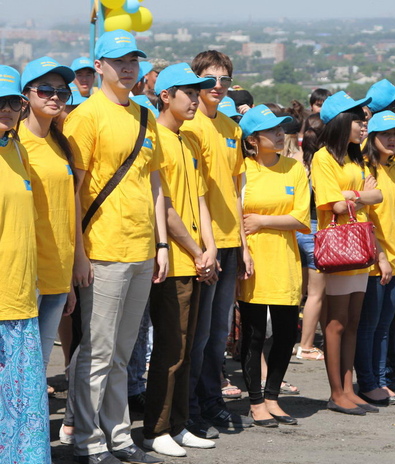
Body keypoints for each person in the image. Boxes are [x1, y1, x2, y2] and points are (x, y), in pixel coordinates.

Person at [64, 30, 166, 464]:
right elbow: (75, 191)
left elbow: (155, 185)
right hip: (102, 250)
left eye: (134, 60)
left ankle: (119, 436)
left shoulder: (144, 115)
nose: (128, 67)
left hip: (142, 249)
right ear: (99, 65)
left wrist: (161, 244)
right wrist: (79, 255)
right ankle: (88, 441)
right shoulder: (85, 117)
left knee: (125, 353)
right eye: (119, 60)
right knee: (98, 352)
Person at [142, 63, 218, 457]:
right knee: (171, 349)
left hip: (197, 258)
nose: (195, 99)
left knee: (190, 349)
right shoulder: (155, 137)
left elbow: (202, 199)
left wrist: (211, 247)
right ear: (166, 95)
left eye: (197, 92)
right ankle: (156, 428)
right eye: (188, 92)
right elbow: (165, 208)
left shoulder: (188, 140)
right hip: (174, 261)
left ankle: (180, 423)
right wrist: (194, 249)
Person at [182, 50, 253, 436]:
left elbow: (236, 191)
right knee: (199, 332)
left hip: (228, 239)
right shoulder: (191, 127)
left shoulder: (231, 127)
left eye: (225, 79)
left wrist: (242, 244)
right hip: (201, 242)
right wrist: (203, 246)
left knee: (219, 332)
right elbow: (194, 194)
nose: (218, 86)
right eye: (211, 79)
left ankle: (212, 400)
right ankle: (190, 405)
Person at [312, 91, 386, 415]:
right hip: (340, 246)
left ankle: (347, 387)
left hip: (360, 245)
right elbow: (336, 205)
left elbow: (377, 194)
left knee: (353, 320)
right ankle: (336, 391)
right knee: (336, 322)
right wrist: (361, 195)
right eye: (358, 119)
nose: (363, 125)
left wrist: (354, 195)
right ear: (342, 122)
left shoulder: (356, 158)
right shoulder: (322, 158)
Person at [236, 104, 310, 426]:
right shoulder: (242, 169)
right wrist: (243, 248)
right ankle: (255, 403)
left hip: (285, 260)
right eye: (271, 131)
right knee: (252, 335)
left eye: (281, 129)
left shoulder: (294, 168)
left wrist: (262, 220)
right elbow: (236, 216)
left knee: (284, 334)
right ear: (253, 139)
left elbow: (301, 218)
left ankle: (273, 397)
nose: (280, 135)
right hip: (252, 259)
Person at [0, 64, 51, 464]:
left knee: (20, 404)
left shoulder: (16, 149)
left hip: (19, 297)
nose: (7, 109)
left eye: (13, 101)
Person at [19, 57, 78, 377]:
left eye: (61, 91)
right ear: (26, 95)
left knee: (39, 365)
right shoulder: (15, 143)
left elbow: (66, 210)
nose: (54, 97)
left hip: (58, 270)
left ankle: (36, 428)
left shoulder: (61, 143)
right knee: (19, 365)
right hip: (26, 274)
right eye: (45, 90)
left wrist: (69, 276)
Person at [355, 111, 395, 404]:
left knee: (385, 326)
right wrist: (381, 256)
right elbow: (365, 219)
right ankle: (367, 382)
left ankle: (379, 379)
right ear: (372, 138)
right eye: (386, 134)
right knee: (369, 327)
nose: (392, 139)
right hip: (375, 261)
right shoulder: (365, 169)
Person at [295, 113, 326, 361]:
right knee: (316, 294)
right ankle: (306, 345)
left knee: (298, 292)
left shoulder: (295, 162)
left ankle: (290, 339)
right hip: (317, 229)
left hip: (296, 228)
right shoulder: (324, 164)